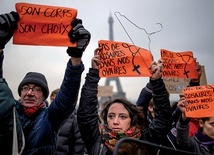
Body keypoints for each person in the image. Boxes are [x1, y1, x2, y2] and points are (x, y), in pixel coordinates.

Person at [0, 11, 90, 155]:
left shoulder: (49, 118)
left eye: (36, 89)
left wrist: (76, 58)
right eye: (25, 88)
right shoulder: (9, 113)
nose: (29, 93)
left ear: (44, 96)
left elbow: (67, 97)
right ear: (20, 92)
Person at [77, 48, 172, 154]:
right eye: (111, 116)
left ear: (132, 120)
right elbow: (85, 113)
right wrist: (94, 73)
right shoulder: (97, 140)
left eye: (122, 117)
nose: (115, 121)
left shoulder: (144, 142)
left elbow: (163, 119)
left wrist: (157, 82)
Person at [50, 88, 87, 155]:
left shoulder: (75, 119)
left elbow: (79, 144)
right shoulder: (46, 117)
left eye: (56, 99)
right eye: (52, 99)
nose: (53, 102)